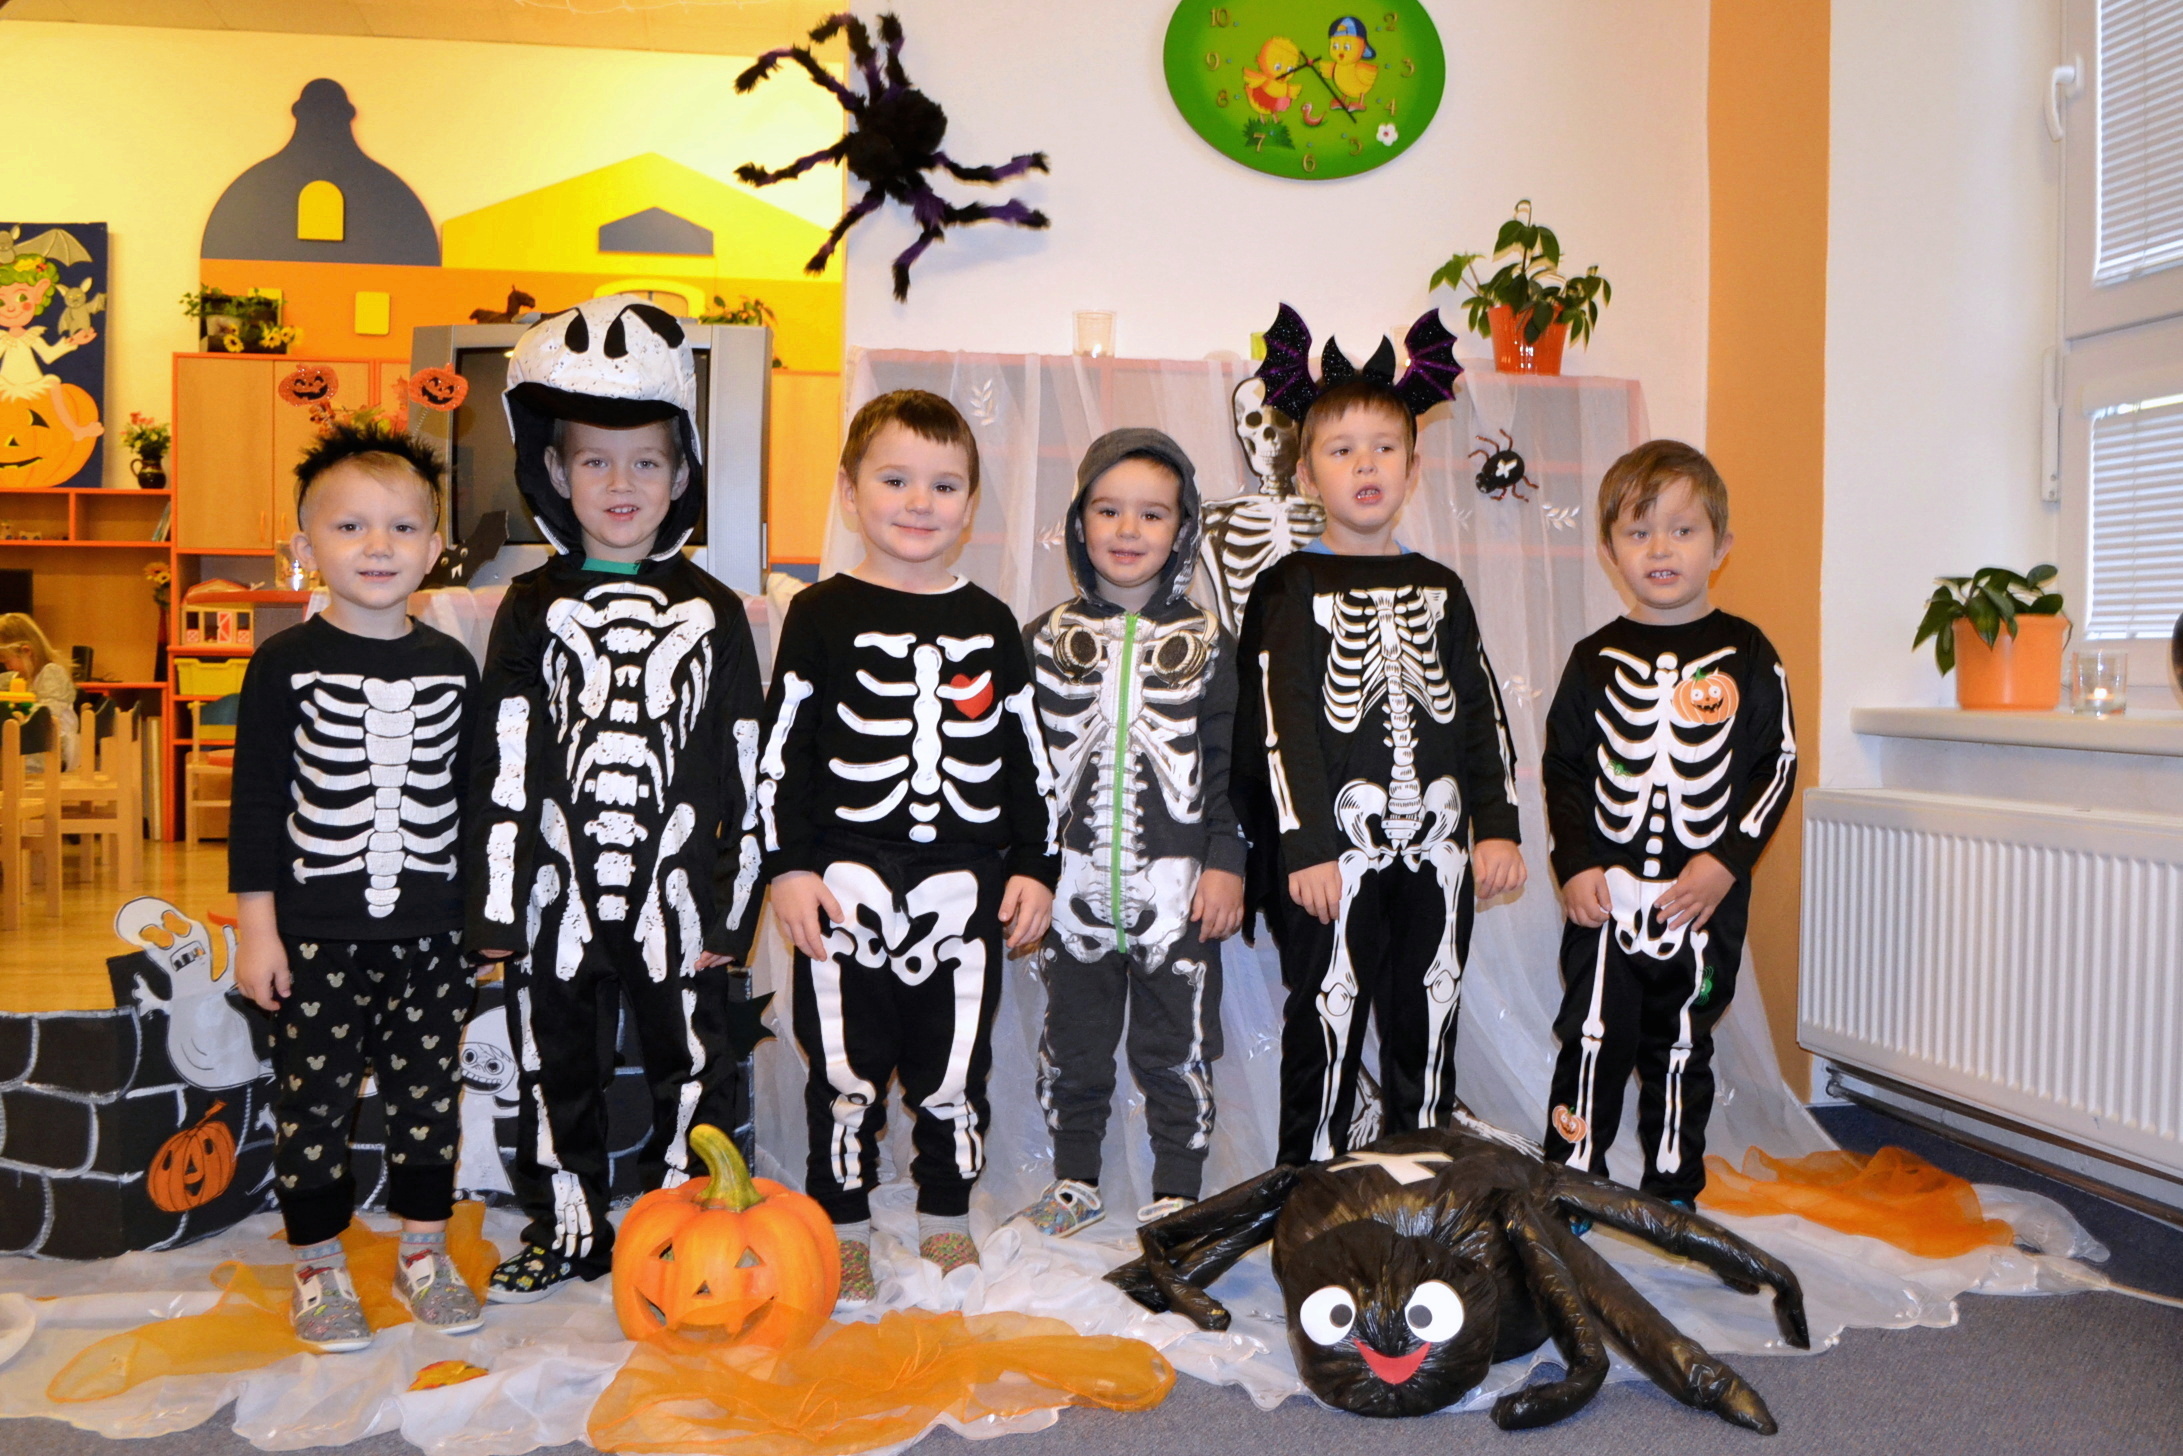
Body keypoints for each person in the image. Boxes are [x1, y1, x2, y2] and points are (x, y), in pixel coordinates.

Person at [463, 296, 765, 1301]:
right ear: (555, 473)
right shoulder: (528, 606)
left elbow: (746, 764)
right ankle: (568, 1223)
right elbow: (502, 757)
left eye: (645, 463)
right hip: (554, 886)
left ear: (682, 475)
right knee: (556, 1063)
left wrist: (731, 909)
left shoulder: (715, 611)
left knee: (694, 1062)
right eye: (595, 461)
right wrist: (495, 908)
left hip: (677, 888)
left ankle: (680, 1225)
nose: (621, 484)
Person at [757, 389, 1058, 1306]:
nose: (919, 502)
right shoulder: (818, 613)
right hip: (842, 885)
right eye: (895, 480)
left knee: (953, 1070)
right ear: (850, 493)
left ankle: (943, 1213)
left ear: (969, 506)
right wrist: (786, 866)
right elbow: (781, 752)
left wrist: (1036, 866)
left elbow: (1028, 758)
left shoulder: (991, 622)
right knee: (841, 1071)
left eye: (943, 485)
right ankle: (842, 1225)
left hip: (963, 886)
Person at [228, 420, 482, 1352]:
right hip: (316, 936)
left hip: (431, 936)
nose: (379, 546)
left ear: (434, 547)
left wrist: (480, 920)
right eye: (350, 527)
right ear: (304, 547)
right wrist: (258, 929)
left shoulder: (451, 665)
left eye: (403, 527)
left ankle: (424, 1250)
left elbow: (470, 802)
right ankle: (317, 1264)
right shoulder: (282, 664)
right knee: (314, 1104)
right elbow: (258, 804)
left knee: (429, 1099)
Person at [1237, 359, 1525, 1171]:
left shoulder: (1441, 587)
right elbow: (1279, 722)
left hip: (1439, 843)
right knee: (1325, 1017)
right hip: (1334, 852)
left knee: (1430, 1011)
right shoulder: (1289, 585)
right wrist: (1304, 848)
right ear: (1305, 475)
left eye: (1384, 448)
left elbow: (1479, 712)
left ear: (1412, 467)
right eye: (1341, 451)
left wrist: (1497, 827)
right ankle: (1310, 1182)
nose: (1365, 465)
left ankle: (1420, 1173)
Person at [1540, 440, 1796, 1205]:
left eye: (1682, 531)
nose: (1659, 549)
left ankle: (1673, 1189)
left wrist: (1727, 859)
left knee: (1681, 1043)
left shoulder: (1748, 653)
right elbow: (1563, 769)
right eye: (1638, 531)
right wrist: (1574, 864)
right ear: (1608, 550)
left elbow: (1776, 763)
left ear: (1720, 547)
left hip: (1703, 901)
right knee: (1590, 1038)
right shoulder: (1591, 659)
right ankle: (1570, 1181)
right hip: (1605, 899)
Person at [1012, 429, 1247, 1238]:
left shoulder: (1211, 644)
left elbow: (1229, 766)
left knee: (1177, 1048)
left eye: (1152, 513)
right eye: (1107, 509)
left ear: (1182, 529)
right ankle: (1074, 1181)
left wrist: (1226, 860)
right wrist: (1025, 871)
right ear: (1078, 521)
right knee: (1071, 1046)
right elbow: (1020, 770)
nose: (1127, 529)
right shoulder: (1041, 640)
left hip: (1178, 891)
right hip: (1071, 889)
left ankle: (1178, 1192)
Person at [0, 611, 78, 771]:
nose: (6, 666)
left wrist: (18, 712)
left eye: (7, 661)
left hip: (53, 751)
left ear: (26, 651)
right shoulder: (16, 677)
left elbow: (45, 716)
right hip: (33, 749)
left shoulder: (51, 673)